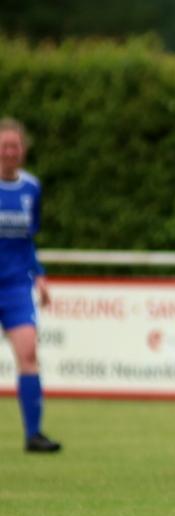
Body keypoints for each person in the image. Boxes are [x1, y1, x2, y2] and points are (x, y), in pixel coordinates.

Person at [0, 118, 59, 453]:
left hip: (15, 286)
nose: (9, 152)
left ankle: (33, 435)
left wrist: (39, 275)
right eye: (4, 146)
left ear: (22, 150)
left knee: (28, 353)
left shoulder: (30, 188)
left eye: (15, 146)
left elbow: (28, 239)